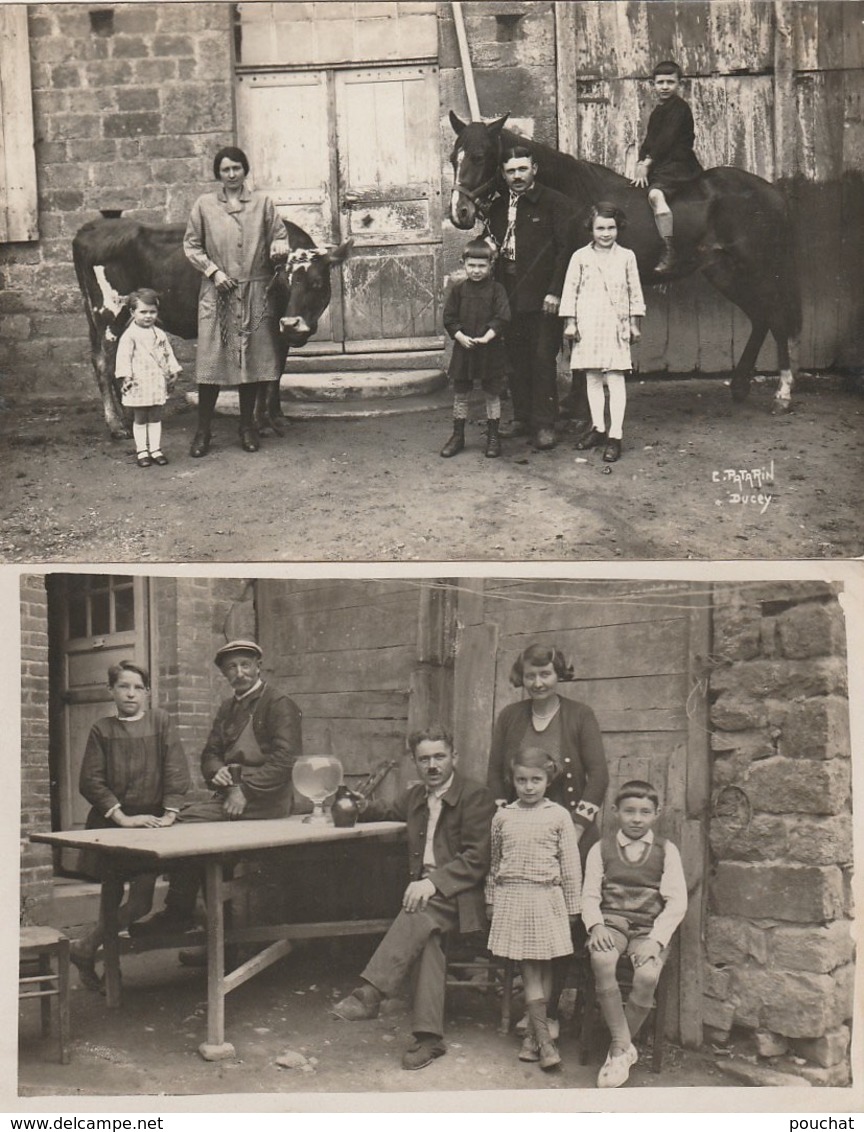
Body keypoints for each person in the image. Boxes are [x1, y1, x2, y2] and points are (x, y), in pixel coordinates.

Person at [330, 726, 496, 1071]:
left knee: (419, 911)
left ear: (455, 758)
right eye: (424, 759)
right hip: (428, 904)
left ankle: (371, 993)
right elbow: (389, 809)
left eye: (439, 757)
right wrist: (363, 806)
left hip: (461, 898)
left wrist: (432, 882)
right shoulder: (416, 796)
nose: (432, 765)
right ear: (416, 763)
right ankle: (429, 1039)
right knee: (426, 936)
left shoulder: (475, 796)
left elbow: (477, 859)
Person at [131, 639, 302, 940]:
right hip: (232, 796)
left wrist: (245, 791)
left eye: (245, 665)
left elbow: (285, 761)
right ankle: (216, 939)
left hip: (268, 799)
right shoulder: (228, 708)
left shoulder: (278, 703)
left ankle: (179, 914)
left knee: (184, 823)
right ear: (224, 674)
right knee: (190, 826)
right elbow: (210, 753)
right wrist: (217, 772)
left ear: (258, 666)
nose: (239, 672)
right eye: (231, 668)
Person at [487, 642, 609, 1038]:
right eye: (530, 675)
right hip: (524, 835)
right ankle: (534, 1009)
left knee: (561, 922)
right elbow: (495, 777)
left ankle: (552, 1012)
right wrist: (511, 822)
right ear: (520, 678)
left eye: (546, 674)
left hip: (569, 834)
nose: (538, 683)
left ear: (559, 675)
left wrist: (574, 830)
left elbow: (599, 776)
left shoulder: (580, 715)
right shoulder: (509, 716)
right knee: (527, 920)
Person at [70, 660, 190, 990]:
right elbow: (90, 781)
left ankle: (85, 946)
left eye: (138, 687)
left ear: (148, 692)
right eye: (123, 686)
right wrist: (122, 818)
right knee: (110, 896)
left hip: (150, 824)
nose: (131, 694)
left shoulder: (161, 721)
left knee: (141, 903)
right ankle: (112, 970)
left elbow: (176, 769)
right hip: (113, 823)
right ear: (111, 691)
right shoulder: (102, 729)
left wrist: (169, 813)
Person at [183, 146, 291, 458]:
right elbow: (191, 246)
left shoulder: (263, 204)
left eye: (236, 169)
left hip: (255, 291)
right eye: (225, 170)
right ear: (218, 174)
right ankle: (203, 431)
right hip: (219, 292)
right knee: (212, 363)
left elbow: (279, 236)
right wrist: (213, 272)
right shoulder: (204, 205)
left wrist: (278, 248)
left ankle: (247, 427)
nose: (231, 175)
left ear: (246, 170)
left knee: (250, 363)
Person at [582, 779, 688, 1088]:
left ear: (657, 813)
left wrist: (655, 941)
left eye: (644, 812)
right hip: (612, 923)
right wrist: (596, 925)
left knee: (646, 977)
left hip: (648, 929)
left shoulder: (666, 851)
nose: (637, 819)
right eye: (629, 811)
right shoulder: (600, 848)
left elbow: (677, 902)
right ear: (615, 812)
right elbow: (590, 894)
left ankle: (618, 1050)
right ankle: (623, 1045)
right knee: (601, 959)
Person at [486, 748, 582, 1071]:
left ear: (548, 779)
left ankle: (533, 1038)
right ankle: (544, 1038)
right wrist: (491, 897)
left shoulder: (558, 816)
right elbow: (494, 862)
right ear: (512, 780)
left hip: (547, 897)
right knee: (529, 963)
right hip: (514, 895)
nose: (528, 787)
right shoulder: (503, 817)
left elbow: (570, 864)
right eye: (521, 780)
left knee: (545, 964)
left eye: (536, 780)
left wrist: (573, 906)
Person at [484, 146, 575, 450]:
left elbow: (566, 251)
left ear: (534, 169)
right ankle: (522, 417)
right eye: (511, 171)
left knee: (541, 357)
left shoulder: (555, 203)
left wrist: (555, 291)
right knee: (515, 357)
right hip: (508, 291)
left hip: (542, 295)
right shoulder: (497, 208)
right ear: (503, 175)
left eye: (522, 169)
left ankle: (545, 424)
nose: (517, 176)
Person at [561, 202, 645, 464]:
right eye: (600, 228)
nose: (606, 233)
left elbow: (635, 292)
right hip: (588, 323)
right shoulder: (580, 257)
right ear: (591, 228)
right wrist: (571, 323)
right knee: (593, 377)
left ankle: (615, 435)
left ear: (618, 228)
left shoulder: (627, 256)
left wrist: (634, 323)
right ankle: (598, 427)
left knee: (616, 377)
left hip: (615, 324)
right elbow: (570, 291)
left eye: (611, 228)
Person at [440, 239, 511, 459]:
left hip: (489, 350)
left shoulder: (497, 289)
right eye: (471, 266)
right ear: (464, 264)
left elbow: (503, 316)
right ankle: (458, 436)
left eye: (482, 266)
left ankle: (492, 436)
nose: (476, 271)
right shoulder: (459, 289)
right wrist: (460, 336)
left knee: (492, 393)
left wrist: (488, 336)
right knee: (461, 393)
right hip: (465, 349)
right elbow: (449, 317)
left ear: (490, 266)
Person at [632, 60, 703, 275]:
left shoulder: (679, 108)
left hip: (678, 165)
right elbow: (650, 141)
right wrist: (640, 161)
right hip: (662, 164)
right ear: (653, 84)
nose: (664, 87)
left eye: (670, 82)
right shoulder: (658, 111)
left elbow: (666, 140)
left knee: (655, 195)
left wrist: (647, 163)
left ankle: (669, 250)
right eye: (660, 82)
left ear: (678, 84)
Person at [115, 288, 182, 468]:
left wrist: (172, 370)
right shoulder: (130, 335)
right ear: (132, 312)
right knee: (140, 417)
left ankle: (155, 449)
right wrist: (126, 377)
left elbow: (167, 353)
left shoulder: (159, 334)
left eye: (152, 312)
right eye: (143, 312)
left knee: (155, 415)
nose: (148, 316)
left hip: (156, 380)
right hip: (139, 381)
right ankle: (142, 451)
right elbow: (123, 357)